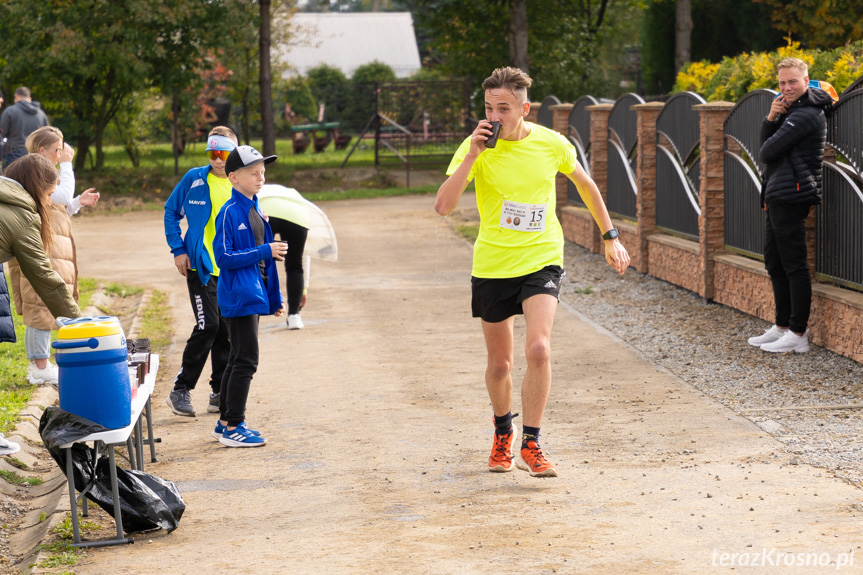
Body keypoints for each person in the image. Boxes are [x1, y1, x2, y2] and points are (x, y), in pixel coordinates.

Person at [435, 67, 630, 478]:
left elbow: (586, 184)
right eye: (488, 108)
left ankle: (532, 442)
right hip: (492, 263)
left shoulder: (550, 143)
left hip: (541, 257)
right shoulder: (475, 148)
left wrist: (610, 236)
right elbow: (443, 207)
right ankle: (502, 430)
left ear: (524, 108)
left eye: (503, 108)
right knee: (501, 365)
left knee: (539, 349)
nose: (494, 116)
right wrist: (472, 155)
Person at [747, 58, 833, 354]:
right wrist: (771, 116)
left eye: (792, 82)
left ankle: (798, 333)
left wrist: (774, 123)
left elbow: (767, 151)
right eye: (782, 83)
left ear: (806, 81)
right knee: (774, 262)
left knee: (794, 264)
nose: (786, 88)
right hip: (777, 193)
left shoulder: (808, 113)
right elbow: (766, 148)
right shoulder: (789, 110)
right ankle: (782, 326)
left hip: (792, 193)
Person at [7, 127, 99, 384]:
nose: (61, 154)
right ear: (42, 151)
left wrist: (79, 202)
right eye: (57, 150)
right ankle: (39, 365)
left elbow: (60, 205)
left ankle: (43, 363)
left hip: (56, 248)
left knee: (49, 304)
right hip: (43, 249)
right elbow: (61, 194)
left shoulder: (41, 176)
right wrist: (68, 166)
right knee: (39, 304)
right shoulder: (32, 175)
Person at [213, 145, 286, 447]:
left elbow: (266, 264)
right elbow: (224, 257)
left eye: (263, 173)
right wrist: (264, 249)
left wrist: (275, 298)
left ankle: (224, 423)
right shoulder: (229, 212)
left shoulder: (256, 209)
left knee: (237, 358)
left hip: (251, 294)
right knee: (246, 361)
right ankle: (234, 427)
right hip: (237, 296)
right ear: (233, 178)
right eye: (253, 173)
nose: (260, 177)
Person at [164, 127, 238, 417]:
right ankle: (180, 389)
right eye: (213, 153)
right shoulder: (194, 178)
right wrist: (178, 250)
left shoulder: (239, 181)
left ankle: (219, 391)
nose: (218, 160)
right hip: (200, 265)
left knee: (227, 330)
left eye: (223, 154)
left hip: (230, 267)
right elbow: (171, 211)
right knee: (209, 325)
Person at [0, 154, 82, 328]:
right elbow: (45, 278)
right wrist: (79, 324)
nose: (49, 202)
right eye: (50, 194)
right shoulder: (23, 218)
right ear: (36, 188)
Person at [258, 187, 310, 329]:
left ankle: (254, 313)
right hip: (297, 216)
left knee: (260, 261)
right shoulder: (294, 194)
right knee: (295, 265)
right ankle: (294, 316)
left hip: (267, 213)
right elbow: (306, 256)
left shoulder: (261, 190)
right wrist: (303, 289)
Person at [0, 87, 49, 167]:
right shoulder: (41, 114)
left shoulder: (10, 111)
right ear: (30, 98)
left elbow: (2, 133)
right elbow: (47, 137)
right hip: (36, 156)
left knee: (12, 179)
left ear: (16, 97)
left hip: (14, 154)